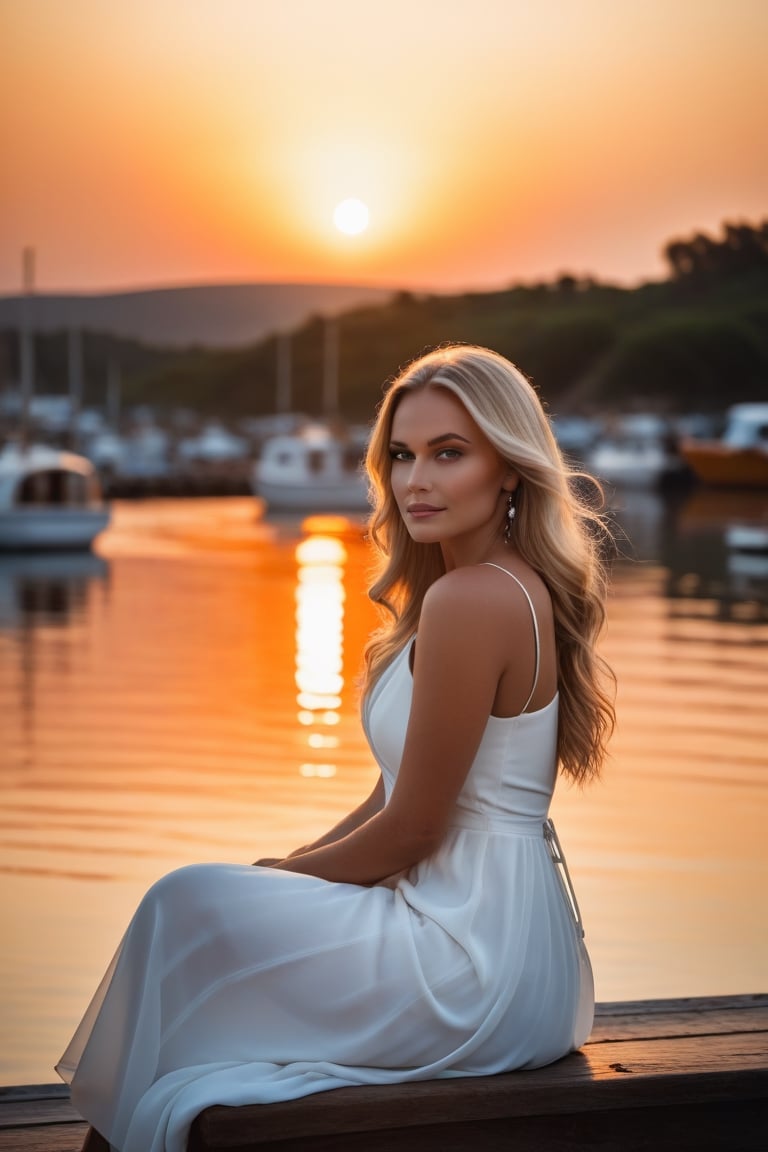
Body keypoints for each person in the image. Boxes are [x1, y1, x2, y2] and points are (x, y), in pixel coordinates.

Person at [58, 344, 615, 1152]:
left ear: (511, 471)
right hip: (511, 949)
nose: (415, 480)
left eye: (448, 454)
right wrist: (285, 870)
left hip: (471, 957)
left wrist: (279, 884)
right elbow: (393, 796)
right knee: (213, 909)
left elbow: (415, 831)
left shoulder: (473, 599)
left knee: (185, 904)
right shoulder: (487, 589)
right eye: (400, 455)